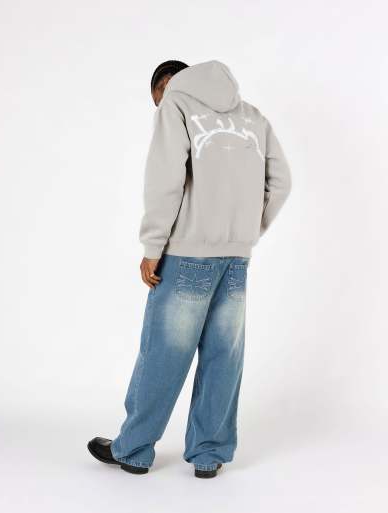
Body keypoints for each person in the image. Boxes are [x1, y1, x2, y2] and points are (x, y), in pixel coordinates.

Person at [88, 60, 291, 478]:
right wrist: (246, 231)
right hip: (236, 257)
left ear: (167, 83)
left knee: (163, 353)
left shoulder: (177, 104)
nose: (158, 108)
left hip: (186, 254)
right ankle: (208, 455)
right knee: (223, 355)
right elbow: (281, 181)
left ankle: (134, 449)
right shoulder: (253, 116)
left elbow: (165, 179)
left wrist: (153, 245)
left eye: (156, 100)